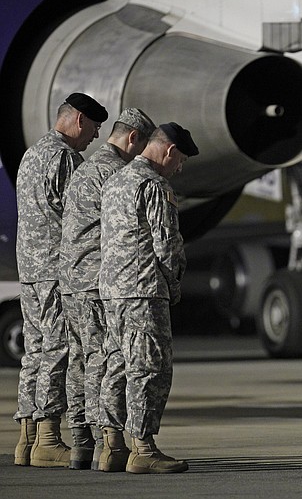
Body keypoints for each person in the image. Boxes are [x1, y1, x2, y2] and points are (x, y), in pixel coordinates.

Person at [13, 93, 108, 467]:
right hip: (57, 269)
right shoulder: (66, 158)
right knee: (59, 349)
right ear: (79, 120)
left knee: (34, 351)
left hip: (30, 270)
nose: (95, 137)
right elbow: (80, 216)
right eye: (95, 128)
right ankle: (49, 438)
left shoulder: (32, 154)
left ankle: (27, 438)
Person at [59, 108, 156, 470]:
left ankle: (81, 444)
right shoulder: (116, 173)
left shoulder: (83, 168)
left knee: (81, 361)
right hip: (99, 280)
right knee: (107, 360)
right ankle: (109, 443)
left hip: (70, 281)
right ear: (133, 139)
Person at [99, 122, 198, 474]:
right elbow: (167, 244)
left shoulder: (115, 181)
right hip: (143, 289)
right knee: (149, 369)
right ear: (169, 151)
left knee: (116, 365)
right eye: (180, 160)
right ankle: (143, 447)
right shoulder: (155, 185)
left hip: (111, 291)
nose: (179, 168)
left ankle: (111, 446)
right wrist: (173, 286)